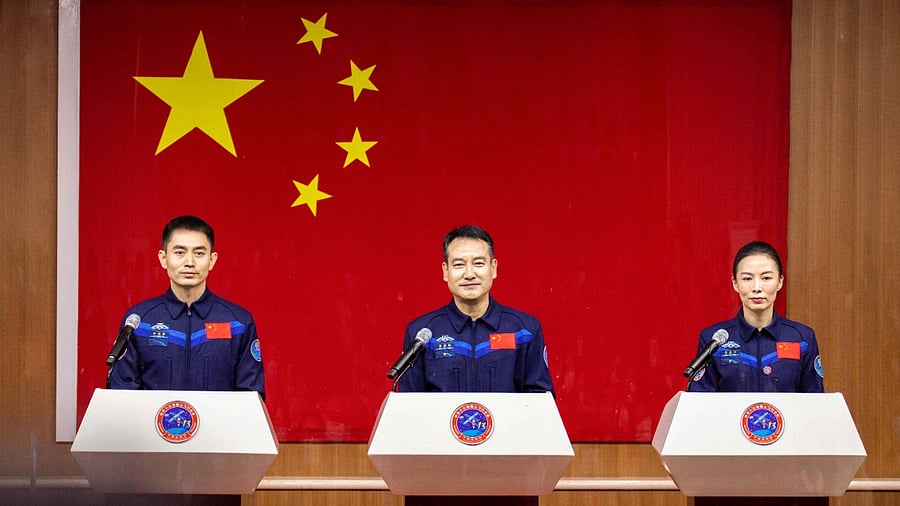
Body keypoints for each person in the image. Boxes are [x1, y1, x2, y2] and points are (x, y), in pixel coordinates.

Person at [107, 215, 265, 399]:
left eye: (199, 253)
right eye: (179, 252)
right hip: (150, 428)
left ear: (212, 260)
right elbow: (122, 394)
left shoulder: (238, 323)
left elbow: (251, 398)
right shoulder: (139, 322)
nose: (189, 262)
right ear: (163, 258)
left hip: (219, 428)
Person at [398, 225, 554, 395]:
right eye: (459, 265)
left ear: (493, 268)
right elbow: (409, 406)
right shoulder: (422, 333)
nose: (469, 274)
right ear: (445, 271)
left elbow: (542, 402)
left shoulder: (524, 330)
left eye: (478, 263)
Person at [689, 241, 823, 392]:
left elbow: (815, 402)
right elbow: (699, 404)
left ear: (780, 282)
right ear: (735, 283)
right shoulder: (714, 339)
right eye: (747, 279)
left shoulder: (802, 338)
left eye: (766, 278)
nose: (757, 288)